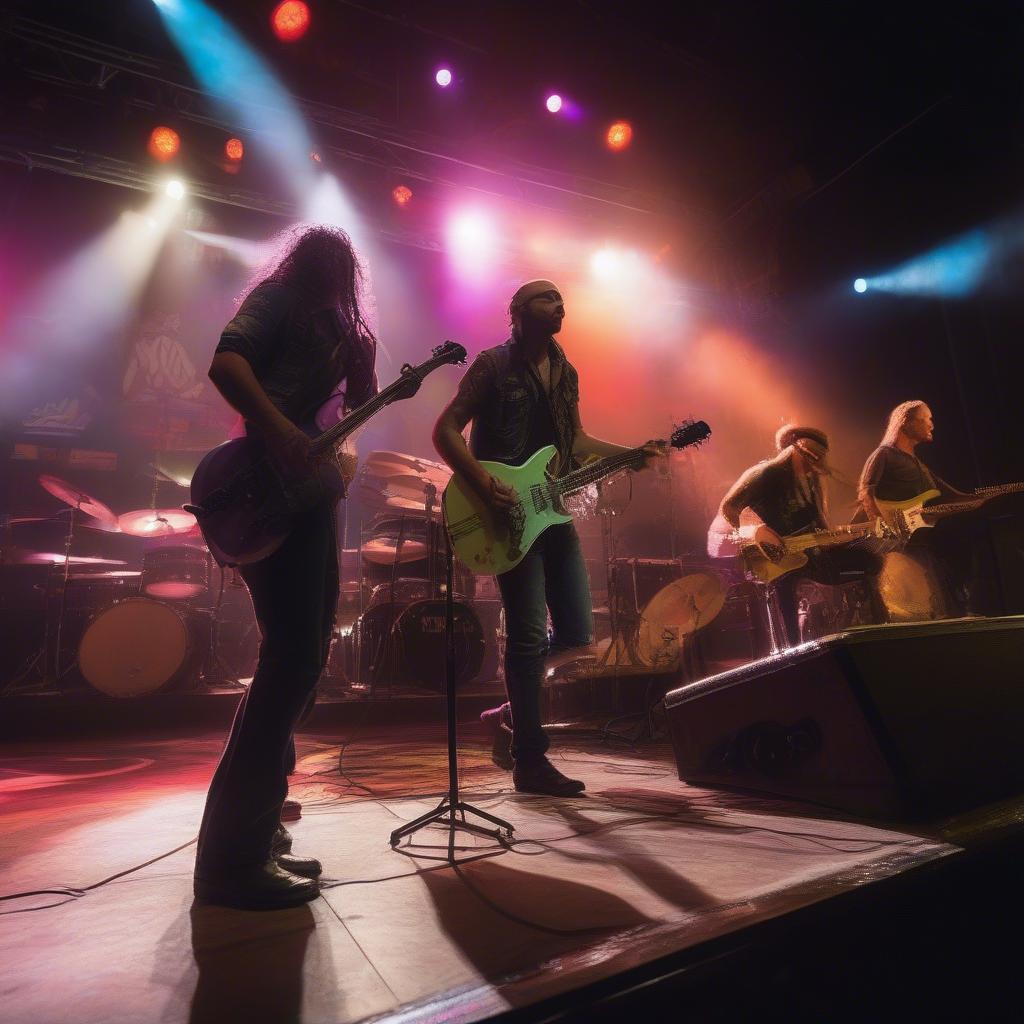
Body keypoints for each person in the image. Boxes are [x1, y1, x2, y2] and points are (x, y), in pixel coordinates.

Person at [193, 225, 377, 910]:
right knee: (290, 661)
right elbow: (227, 363)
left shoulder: (342, 328)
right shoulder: (277, 298)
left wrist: (369, 376)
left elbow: (353, 408)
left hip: (308, 498)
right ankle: (230, 862)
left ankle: (257, 832)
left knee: (298, 661)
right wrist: (280, 430)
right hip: (266, 493)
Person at [432, 279, 663, 796]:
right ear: (516, 310)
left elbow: (575, 440)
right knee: (529, 634)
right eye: (546, 297)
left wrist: (630, 453)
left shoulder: (566, 370)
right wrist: (484, 484)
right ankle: (530, 762)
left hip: (551, 510)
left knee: (579, 633)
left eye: (562, 298)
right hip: (505, 511)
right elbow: (446, 429)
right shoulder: (493, 364)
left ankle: (509, 713)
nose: (559, 304)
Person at [715, 425, 883, 646]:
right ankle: (792, 650)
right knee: (787, 584)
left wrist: (844, 536)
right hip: (775, 558)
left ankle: (870, 633)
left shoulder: (813, 483)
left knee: (871, 561)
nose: (813, 463)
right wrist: (757, 532)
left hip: (810, 553)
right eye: (810, 456)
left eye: (819, 458)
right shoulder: (765, 474)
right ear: (793, 449)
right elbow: (729, 507)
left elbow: (820, 527)